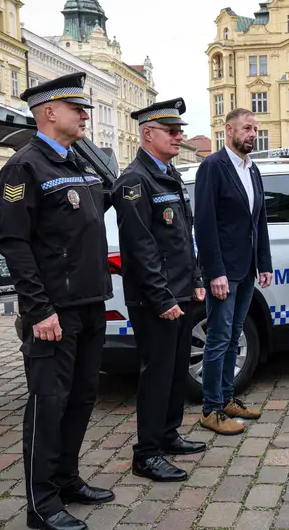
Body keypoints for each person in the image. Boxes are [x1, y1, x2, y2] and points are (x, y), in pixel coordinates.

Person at [0, 73, 114, 530]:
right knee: (49, 403)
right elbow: (15, 243)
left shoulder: (76, 163)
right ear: (49, 112)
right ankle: (40, 503)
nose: (85, 115)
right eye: (76, 108)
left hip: (89, 301)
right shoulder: (24, 167)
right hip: (54, 311)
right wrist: (39, 309)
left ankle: (66, 478)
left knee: (82, 397)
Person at [111, 98, 207, 483]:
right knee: (156, 375)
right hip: (156, 299)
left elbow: (184, 236)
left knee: (173, 372)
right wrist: (162, 298)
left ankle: (168, 434)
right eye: (172, 131)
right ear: (148, 134)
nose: (179, 136)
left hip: (181, 293)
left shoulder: (168, 174)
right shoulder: (135, 180)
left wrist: (197, 280)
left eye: (180, 130)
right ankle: (146, 453)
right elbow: (141, 246)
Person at [195, 108, 273, 435]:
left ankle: (227, 398)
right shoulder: (213, 167)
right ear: (229, 130)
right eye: (246, 128)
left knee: (232, 338)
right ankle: (211, 409)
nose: (252, 133)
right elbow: (205, 224)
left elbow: (260, 220)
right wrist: (214, 272)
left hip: (247, 269)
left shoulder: (252, 169)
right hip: (224, 272)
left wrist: (264, 263)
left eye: (255, 128)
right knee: (218, 339)